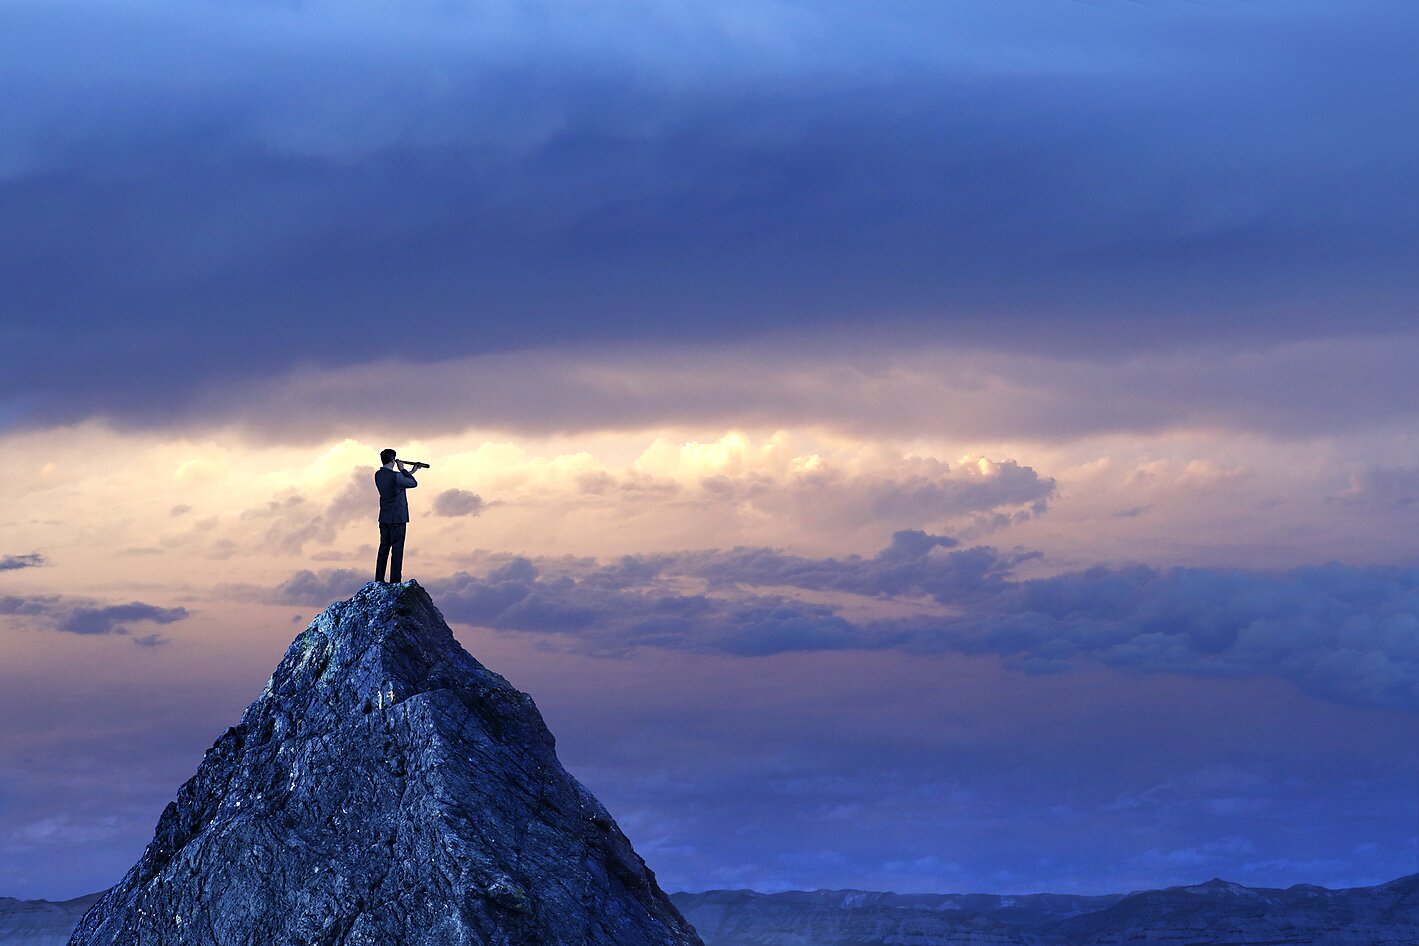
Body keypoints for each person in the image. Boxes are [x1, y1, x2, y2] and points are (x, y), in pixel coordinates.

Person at [374, 448, 418, 582]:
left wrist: (410, 472)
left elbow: (397, 483)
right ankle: (395, 581)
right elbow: (413, 483)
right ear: (393, 459)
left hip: (384, 518)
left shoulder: (378, 475)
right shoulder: (397, 476)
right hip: (398, 518)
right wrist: (403, 470)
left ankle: (379, 579)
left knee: (383, 549)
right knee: (397, 550)